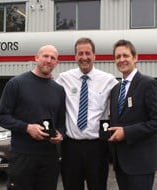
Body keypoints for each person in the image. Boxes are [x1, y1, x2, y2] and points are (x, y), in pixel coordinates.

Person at [0, 45, 66, 190]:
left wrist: (60, 134)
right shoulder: (16, 84)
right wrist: (27, 128)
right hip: (23, 156)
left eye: (53, 58)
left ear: (57, 63)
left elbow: (61, 123)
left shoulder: (59, 90)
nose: (48, 60)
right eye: (45, 56)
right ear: (36, 58)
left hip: (49, 158)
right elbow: (1, 117)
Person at [56, 37, 118, 190]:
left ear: (94, 55)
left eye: (88, 53)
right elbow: (48, 102)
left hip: (97, 148)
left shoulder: (108, 80)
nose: (84, 57)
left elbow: (125, 102)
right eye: (80, 53)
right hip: (70, 148)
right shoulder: (63, 79)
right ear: (75, 56)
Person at [108, 39, 157, 190]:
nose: (121, 60)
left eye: (125, 55)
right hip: (121, 163)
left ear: (135, 58)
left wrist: (126, 133)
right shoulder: (116, 89)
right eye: (118, 57)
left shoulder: (148, 84)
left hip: (141, 163)